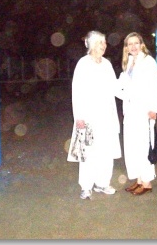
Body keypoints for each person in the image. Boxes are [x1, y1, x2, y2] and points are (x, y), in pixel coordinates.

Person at [67, 31, 121, 200]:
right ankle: (86, 186)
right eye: (100, 43)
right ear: (91, 45)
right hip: (89, 116)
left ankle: (103, 183)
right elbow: (77, 91)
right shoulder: (83, 64)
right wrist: (79, 117)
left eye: (104, 43)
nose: (104, 46)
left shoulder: (107, 64)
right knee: (88, 151)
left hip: (107, 116)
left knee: (105, 151)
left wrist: (132, 93)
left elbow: (115, 87)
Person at [117, 32, 157, 196]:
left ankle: (147, 182)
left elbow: (155, 86)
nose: (133, 47)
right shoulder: (129, 63)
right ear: (126, 48)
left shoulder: (148, 62)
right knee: (132, 146)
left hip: (143, 110)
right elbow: (124, 87)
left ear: (141, 44)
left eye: (136, 43)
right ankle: (139, 180)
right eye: (130, 44)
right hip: (130, 111)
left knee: (143, 146)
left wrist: (154, 108)